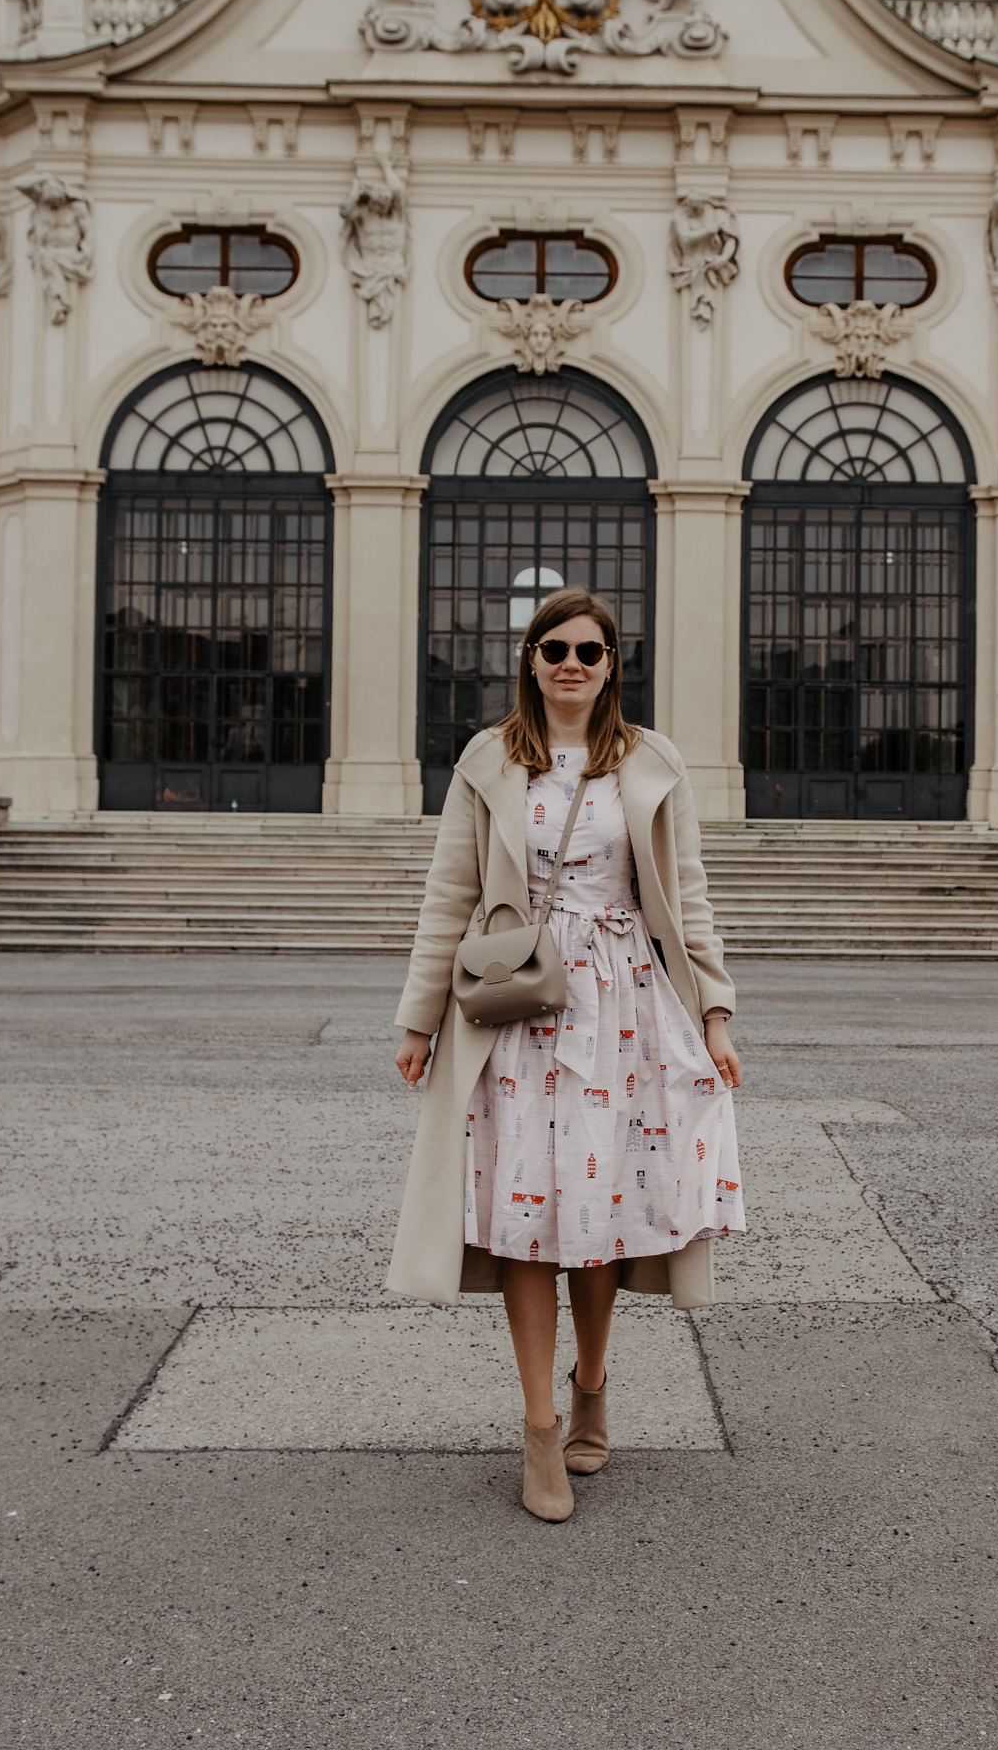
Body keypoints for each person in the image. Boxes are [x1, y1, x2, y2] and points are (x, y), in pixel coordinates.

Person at [389, 587, 745, 1523]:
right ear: (530, 660)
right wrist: (418, 1022)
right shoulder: (489, 762)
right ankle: (540, 1427)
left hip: (626, 1004)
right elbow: (446, 898)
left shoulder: (651, 761)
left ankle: (593, 1385)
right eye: (554, 650)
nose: (571, 665)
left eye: (589, 650)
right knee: (523, 1219)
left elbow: (690, 899)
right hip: (516, 1013)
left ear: (612, 662)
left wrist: (714, 1014)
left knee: (601, 1216)